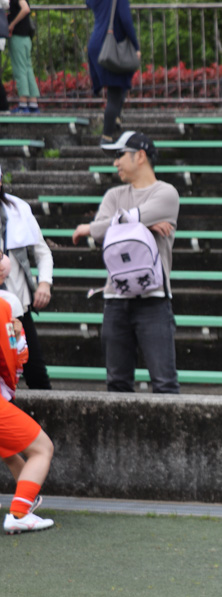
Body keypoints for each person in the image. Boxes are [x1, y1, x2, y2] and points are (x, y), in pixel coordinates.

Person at [71, 131, 180, 394]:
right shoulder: (113, 195)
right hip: (115, 299)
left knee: (164, 383)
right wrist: (143, 223)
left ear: (140, 156)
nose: (115, 162)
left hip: (154, 300)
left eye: (120, 155)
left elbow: (96, 228)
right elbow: (101, 234)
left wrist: (101, 226)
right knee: (117, 383)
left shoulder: (166, 193)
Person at [1, 253, 55, 535]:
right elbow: (14, 354)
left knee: (8, 449)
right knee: (42, 448)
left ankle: (25, 503)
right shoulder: (6, 302)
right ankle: (20, 513)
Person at [1, 163, 53, 388]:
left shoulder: (18, 209)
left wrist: (44, 283)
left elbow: (42, 251)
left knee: (35, 373)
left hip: (17, 307)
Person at [86, 0, 141, 143]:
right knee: (115, 93)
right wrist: (136, 46)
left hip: (97, 45)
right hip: (112, 46)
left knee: (119, 84)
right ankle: (106, 137)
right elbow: (126, 20)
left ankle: (115, 118)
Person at [6, 0, 40, 114]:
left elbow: (25, 9)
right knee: (28, 69)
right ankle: (33, 103)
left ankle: (23, 103)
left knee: (20, 69)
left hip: (18, 37)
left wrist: (12, 24)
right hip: (25, 38)